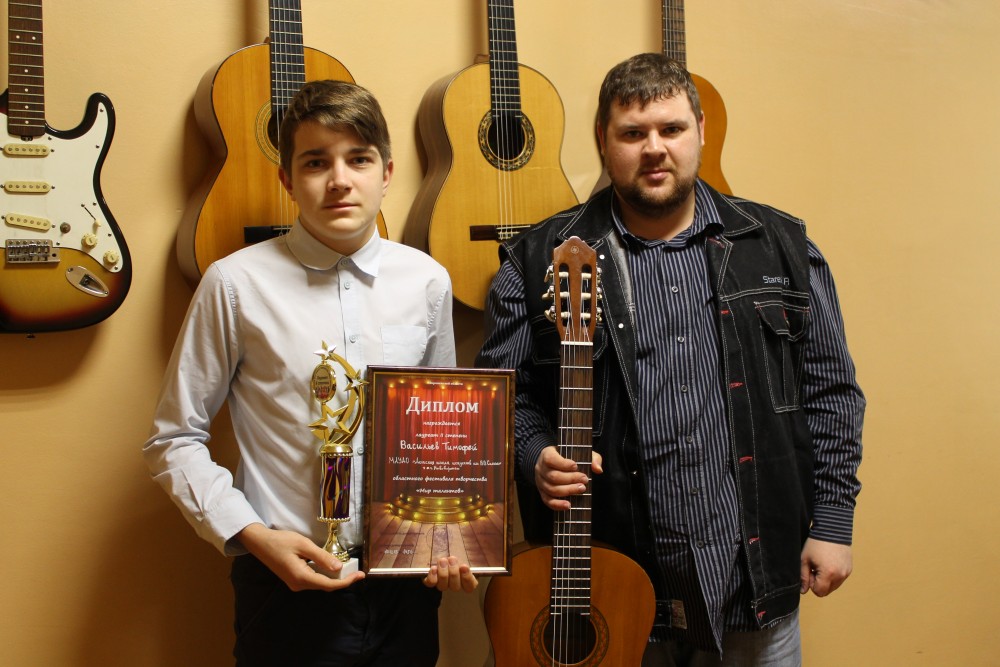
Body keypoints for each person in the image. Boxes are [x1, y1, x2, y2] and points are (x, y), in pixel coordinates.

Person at [476, 53, 864, 665]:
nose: (654, 148)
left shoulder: (781, 246)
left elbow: (831, 393)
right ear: (603, 140)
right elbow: (503, 395)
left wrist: (833, 522)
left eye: (671, 128)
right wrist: (533, 455)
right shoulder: (536, 259)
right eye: (633, 133)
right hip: (613, 587)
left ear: (700, 131)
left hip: (753, 581)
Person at [144, 79, 476, 666]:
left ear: (387, 172)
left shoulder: (427, 280)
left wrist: (448, 535)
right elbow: (173, 439)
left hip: (404, 586)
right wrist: (252, 537)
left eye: (359, 159)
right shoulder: (235, 284)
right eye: (316, 162)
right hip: (283, 583)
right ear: (287, 179)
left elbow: (440, 438)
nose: (339, 180)